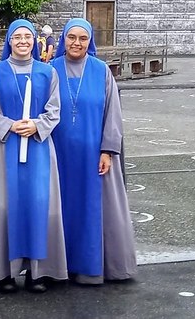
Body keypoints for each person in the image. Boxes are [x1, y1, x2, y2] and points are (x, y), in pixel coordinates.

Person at [0, 19, 67, 293]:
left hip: (38, 148)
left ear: (35, 41)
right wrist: (8, 125)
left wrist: (37, 125)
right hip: (3, 146)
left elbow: (54, 109)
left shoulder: (47, 72)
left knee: (38, 206)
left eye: (27, 37)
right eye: (16, 37)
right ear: (9, 41)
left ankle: (36, 272)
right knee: (3, 206)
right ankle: (4, 273)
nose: (22, 41)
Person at [51, 18, 137, 285]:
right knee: (60, 208)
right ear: (63, 39)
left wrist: (108, 150)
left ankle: (91, 267)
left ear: (90, 42)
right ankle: (59, 268)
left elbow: (113, 113)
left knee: (93, 208)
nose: (77, 43)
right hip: (58, 155)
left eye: (83, 38)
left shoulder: (101, 71)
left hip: (94, 155)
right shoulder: (50, 70)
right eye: (71, 37)